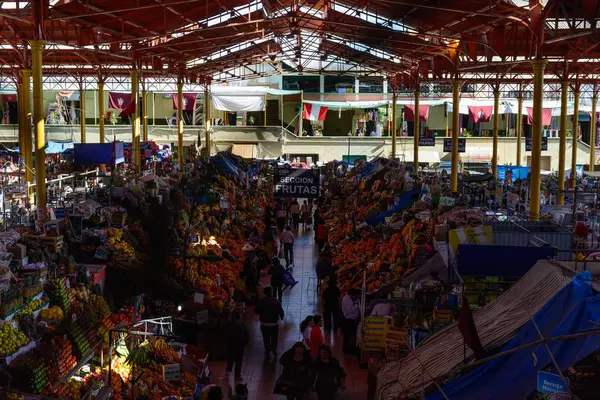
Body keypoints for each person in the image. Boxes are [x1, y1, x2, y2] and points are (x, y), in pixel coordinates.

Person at [255, 286, 284, 357]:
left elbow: (257, 311)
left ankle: (267, 351)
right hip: (273, 323)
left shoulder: (261, 301)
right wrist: (281, 316)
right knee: (274, 338)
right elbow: (281, 312)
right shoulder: (276, 301)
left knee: (266, 338)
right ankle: (274, 350)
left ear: (264, 293)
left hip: (264, 324)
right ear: (271, 292)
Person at [225, 311, 249, 381]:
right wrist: (244, 344)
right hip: (240, 347)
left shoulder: (229, 325)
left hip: (231, 346)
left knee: (231, 359)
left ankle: (228, 372)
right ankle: (237, 375)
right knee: (239, 361)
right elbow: (246, 337)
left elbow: (226, 336)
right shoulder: (242, 325)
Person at [341, 289, 361, 354]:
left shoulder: (355, 299)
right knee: (348, 335)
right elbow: (350, 310)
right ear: (352, 295)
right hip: (348, 320)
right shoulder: (346, 299)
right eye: (355, 295)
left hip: (354, 320)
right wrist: (356, 305)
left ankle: (350, 348)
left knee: (352, 335)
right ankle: (346, 349)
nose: (356, 297)